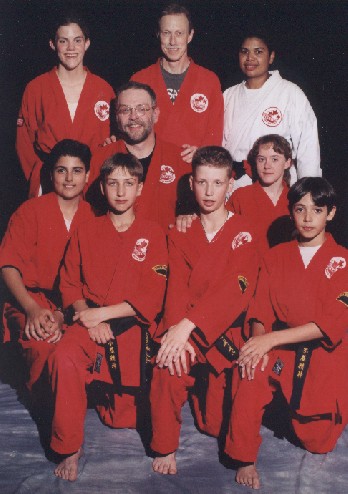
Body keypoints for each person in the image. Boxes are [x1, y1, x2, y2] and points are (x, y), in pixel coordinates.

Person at [48, 153, 168, 481]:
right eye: (112, 183)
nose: (120, 191)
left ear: (140, 188)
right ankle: (68, 447)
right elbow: (70, 281)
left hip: (131, 325)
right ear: (101, 187)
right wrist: (90, 317)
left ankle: (105, 396)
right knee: (64, 355)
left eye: (128, 184)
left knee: (120, 419)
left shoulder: (153, 233)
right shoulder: (87, 230)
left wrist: (105, 315)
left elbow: (153, 296)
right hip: (89, 323)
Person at [225, 177, 348, 489]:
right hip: (280, 346)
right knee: (249, 371)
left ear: (330, 214)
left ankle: (292, 410)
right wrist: (257, 341)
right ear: (291, 212)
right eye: (300, 209)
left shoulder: (343, 260)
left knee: (318, 444)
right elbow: (260, 307)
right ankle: (244, 456)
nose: (308, 218)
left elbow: (331, 323)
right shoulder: (275, 255)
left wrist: (270, 339)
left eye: (317, 210)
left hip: (323, 350)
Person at [150, 146, 260, 475]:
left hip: (226, 331)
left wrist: (189, 325)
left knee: (212, 426)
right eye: (202, 183)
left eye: (217, 183)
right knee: (168, 365)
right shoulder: (180, 231)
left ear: (229, 184)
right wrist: (176, 333)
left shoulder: (244, 232)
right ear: (191, 184)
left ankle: (204, 396)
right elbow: (176, 288)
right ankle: (165, 446)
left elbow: (237, 289)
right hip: (188, 330)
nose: (209, 192)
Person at [0, 139, 93, 394]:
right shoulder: (30, 211)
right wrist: (31, 308)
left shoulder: (94, 217)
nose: (69, 178)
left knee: (72, 353)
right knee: (42, 346)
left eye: (77, 170)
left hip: (75, 307)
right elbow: (8, 264)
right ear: (51, 174)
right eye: (61, 170)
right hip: (30, 300)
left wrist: (64, 316)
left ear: (88, 175)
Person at [16, 12, 115, 197]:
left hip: (92, 182)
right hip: (50, 180)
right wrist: (39, 177)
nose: (71, 48)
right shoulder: (36, 88)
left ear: (87, 43)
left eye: (77, 40)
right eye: (63, 41)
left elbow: (113, 140)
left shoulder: (103, 89)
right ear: (53, 44)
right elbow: (24, 144)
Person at [87, 81, 191, 231]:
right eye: (125, 110)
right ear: (117, 117)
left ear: (155, 114)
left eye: (141, 109)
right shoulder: (100, 158)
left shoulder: (180, 160)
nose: (133, 116)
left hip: (165, 250)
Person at [223, 32, 321, 190]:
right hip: (236, 185)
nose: (250, 58)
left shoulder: (290, 93)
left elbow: (307, 147)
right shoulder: (228, 96)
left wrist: (309, 191)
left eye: (258, 51)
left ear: (271, 57)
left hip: (277, 186)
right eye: (244, 51)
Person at [131, 3, 223, 163]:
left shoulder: (209, 81)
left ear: (190, 35)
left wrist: (202, 153)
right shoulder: (140, 79)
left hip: (193, 171)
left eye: (179, 33)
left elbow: (215, 134)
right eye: (167, 33)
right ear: (158, 34)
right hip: (149, 169)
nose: (172, 41)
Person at [227, 134, 293, 254]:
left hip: (285, 269)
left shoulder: (295, 199)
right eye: (261, 159)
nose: (267, 166)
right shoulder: (241, 196)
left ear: (287, 163)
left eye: (274, 159)